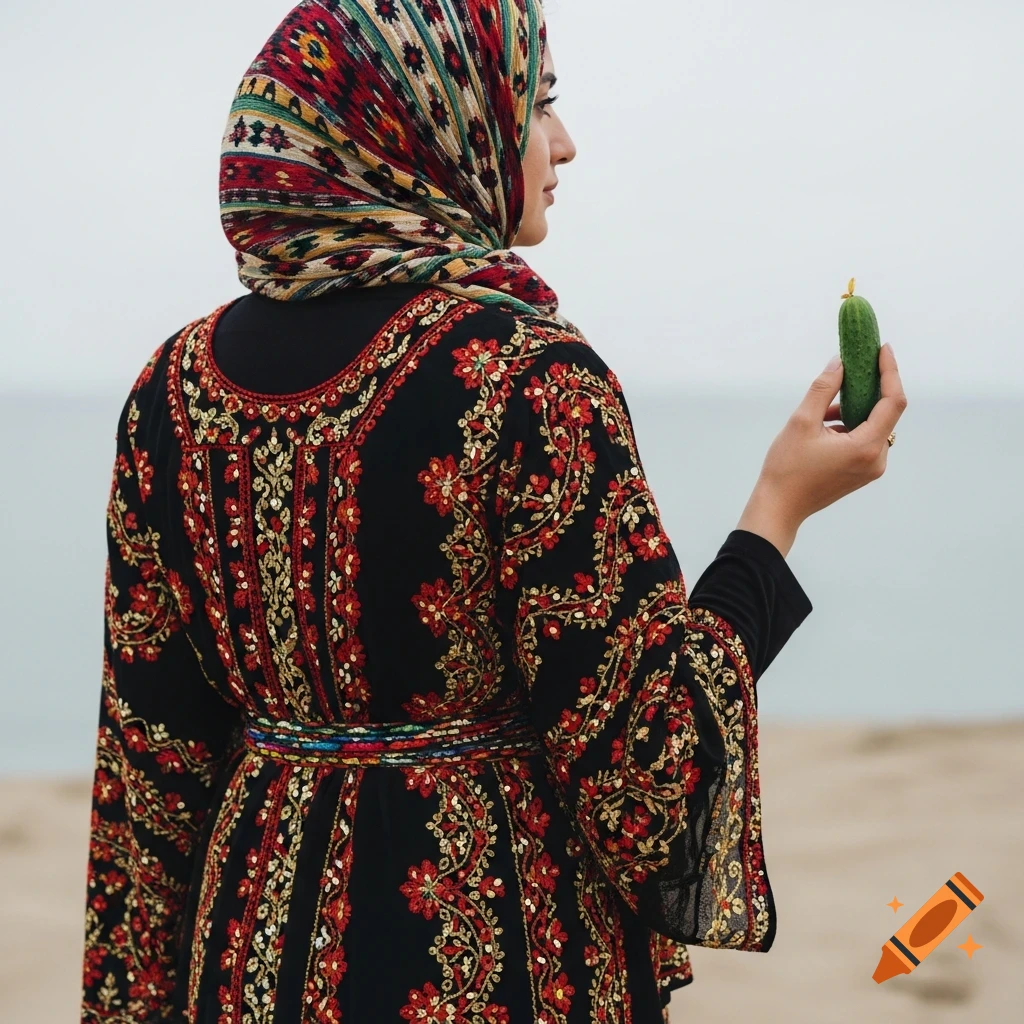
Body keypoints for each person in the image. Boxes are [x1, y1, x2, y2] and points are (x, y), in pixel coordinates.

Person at [79, 1, 908, 1022]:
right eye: (536, 103)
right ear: (438, 119)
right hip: (506, 967)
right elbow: (648, 776)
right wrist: (778, 511)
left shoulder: (171, 388)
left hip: (252, 963)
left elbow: (148, 769)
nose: (564, 141)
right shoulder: (528, 376)